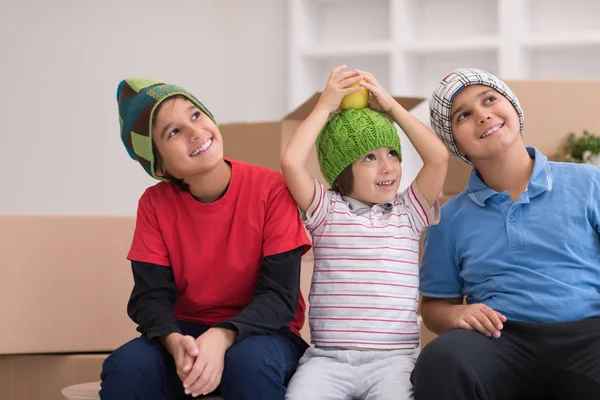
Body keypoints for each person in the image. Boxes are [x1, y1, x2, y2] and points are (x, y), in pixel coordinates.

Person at [99, 78, 311, 400]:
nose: (195, 132)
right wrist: (174, 341)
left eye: (196, 115)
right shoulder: (154, 205)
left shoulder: (272, 190)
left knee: (249, 363)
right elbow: (150, 297)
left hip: (265, 335)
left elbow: (279, 297)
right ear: (160, 164)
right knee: (125, 367)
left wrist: (223, 336)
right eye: (173, 132)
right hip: (187, 337)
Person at [411, 68, 600, 400]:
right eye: (463, 115)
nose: (483, 115)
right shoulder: (448, 218)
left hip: (588, 335)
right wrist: (457, 314)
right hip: (500, 341)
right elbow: (434, 307)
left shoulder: (588, 183)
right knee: (439, 360)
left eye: (490, 100)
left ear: (513, 108)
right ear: (454, 141)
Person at [281, 65, 448, 399]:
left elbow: (439, 157)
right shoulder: (326, 210)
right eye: (369, 158)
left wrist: (391, 107)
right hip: (327, 360)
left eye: (392, 154)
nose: (388, 167)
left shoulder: (409, 211)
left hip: (394, 361)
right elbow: (291, 162)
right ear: (342, 171)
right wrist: (325, 105)